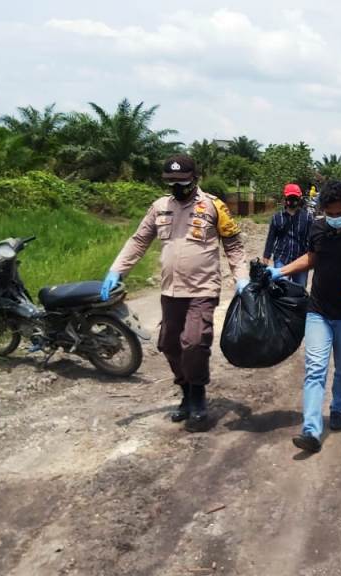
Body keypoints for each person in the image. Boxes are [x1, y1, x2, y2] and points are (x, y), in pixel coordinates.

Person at [100, 154, 249, 432]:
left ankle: (198, 397)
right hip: (170, 291)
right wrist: (117, 270)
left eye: (183, 182)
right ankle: (186, 392)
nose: (177, 187)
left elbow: (233, 245)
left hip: (203, 289)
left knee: (194, 343)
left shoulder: (214, 206)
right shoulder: (159, 207)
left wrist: (242, 279)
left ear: (195, 179)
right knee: (169, 344)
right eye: (172, 183)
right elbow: (139, 240)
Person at [268, 180, 341, 453]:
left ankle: (338, 407)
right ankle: (311, 430)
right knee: (315, 368)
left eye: (339, 213)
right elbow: (312, 258)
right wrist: (280, 271)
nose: (334, 218)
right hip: (318, 310)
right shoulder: (318, 228)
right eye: (329, 213)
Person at [262, 183, 314, 287]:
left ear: (300, 198)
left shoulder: (307, 217)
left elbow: (311, 239)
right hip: (281, 258)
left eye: (295, 197)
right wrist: (266, 257)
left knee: (299, 289)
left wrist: (312, 258)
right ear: (285, 198)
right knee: (281, 289)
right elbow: (271, 239)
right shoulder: (277, 217)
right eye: (290, 197)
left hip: (300, 259)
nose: (292, 200)